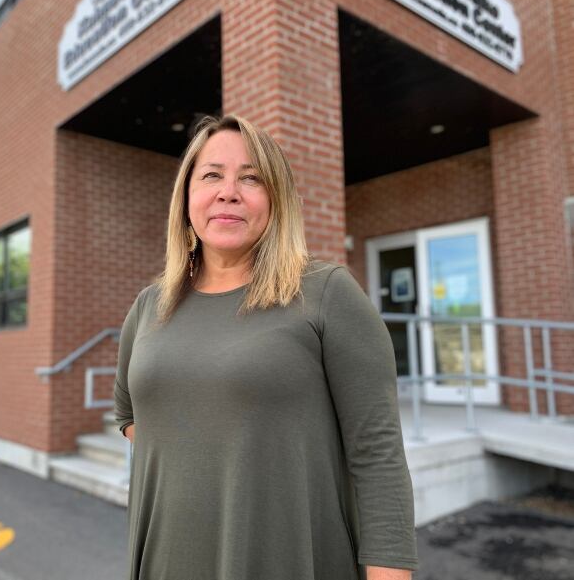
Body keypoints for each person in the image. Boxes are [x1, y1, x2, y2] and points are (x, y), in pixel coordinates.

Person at [113, 114, 418, 580]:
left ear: (275, 201)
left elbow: (377, 457)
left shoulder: (325, 292)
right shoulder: (149, 306)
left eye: (251, 178)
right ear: (186, 197)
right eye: (211, 175)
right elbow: (131, 418)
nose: (228, 191)